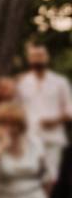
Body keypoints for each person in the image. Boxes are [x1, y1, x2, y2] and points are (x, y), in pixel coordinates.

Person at [17, 42, 72, 181]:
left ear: (47, 58)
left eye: (41, 55)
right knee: (29, 174)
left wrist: (56, 120)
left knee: (51, 175)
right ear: (29, 59)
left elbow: (69, 109)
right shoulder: (22, 82)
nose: (38, 59)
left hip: (53, 137)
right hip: (29, 136)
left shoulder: (60, 82)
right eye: (34, 56)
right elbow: (16, 109)